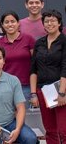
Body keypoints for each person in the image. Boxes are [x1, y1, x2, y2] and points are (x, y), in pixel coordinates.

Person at [30, 9, 66, 144]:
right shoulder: (39, 43)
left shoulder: (64, 41)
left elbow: (65, 68)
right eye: (46, 21)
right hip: (43, 91)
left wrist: (62, 93)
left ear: (59, 23)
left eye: (53, 21)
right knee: (50, 129)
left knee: (64, 130)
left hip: (61, 91)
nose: (49, 23)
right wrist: (33, 93)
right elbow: (33, 69)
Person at [0, 11, 35, 102]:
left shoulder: (28, 39)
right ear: (2, 25)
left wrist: (33, 92)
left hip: (26, 86)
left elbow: (35, 63)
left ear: (18, 23)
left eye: (13, 21)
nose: (10, 24)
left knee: (24, 115)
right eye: (6, 22)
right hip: (5, 87)